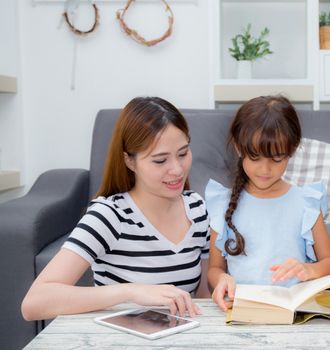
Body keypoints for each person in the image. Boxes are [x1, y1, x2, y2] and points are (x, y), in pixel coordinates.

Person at [21, 97, 210, 321]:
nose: (177, 170)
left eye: (183, 153)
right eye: (160, 161)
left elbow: (202, 295)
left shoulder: (196, 209)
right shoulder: (109, 215)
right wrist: (130, 291)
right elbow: (34, 303)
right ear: (130, 161)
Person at [206, 95, 330, 311]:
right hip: (242, 309)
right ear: (239, 148)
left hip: (293, 311)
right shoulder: (222, 203)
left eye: (277, 159)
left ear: (293, 149)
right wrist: (221, 279)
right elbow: (214, 268)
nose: (265, 170)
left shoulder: (306, 202)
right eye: (255, 157)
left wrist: (308, 270)